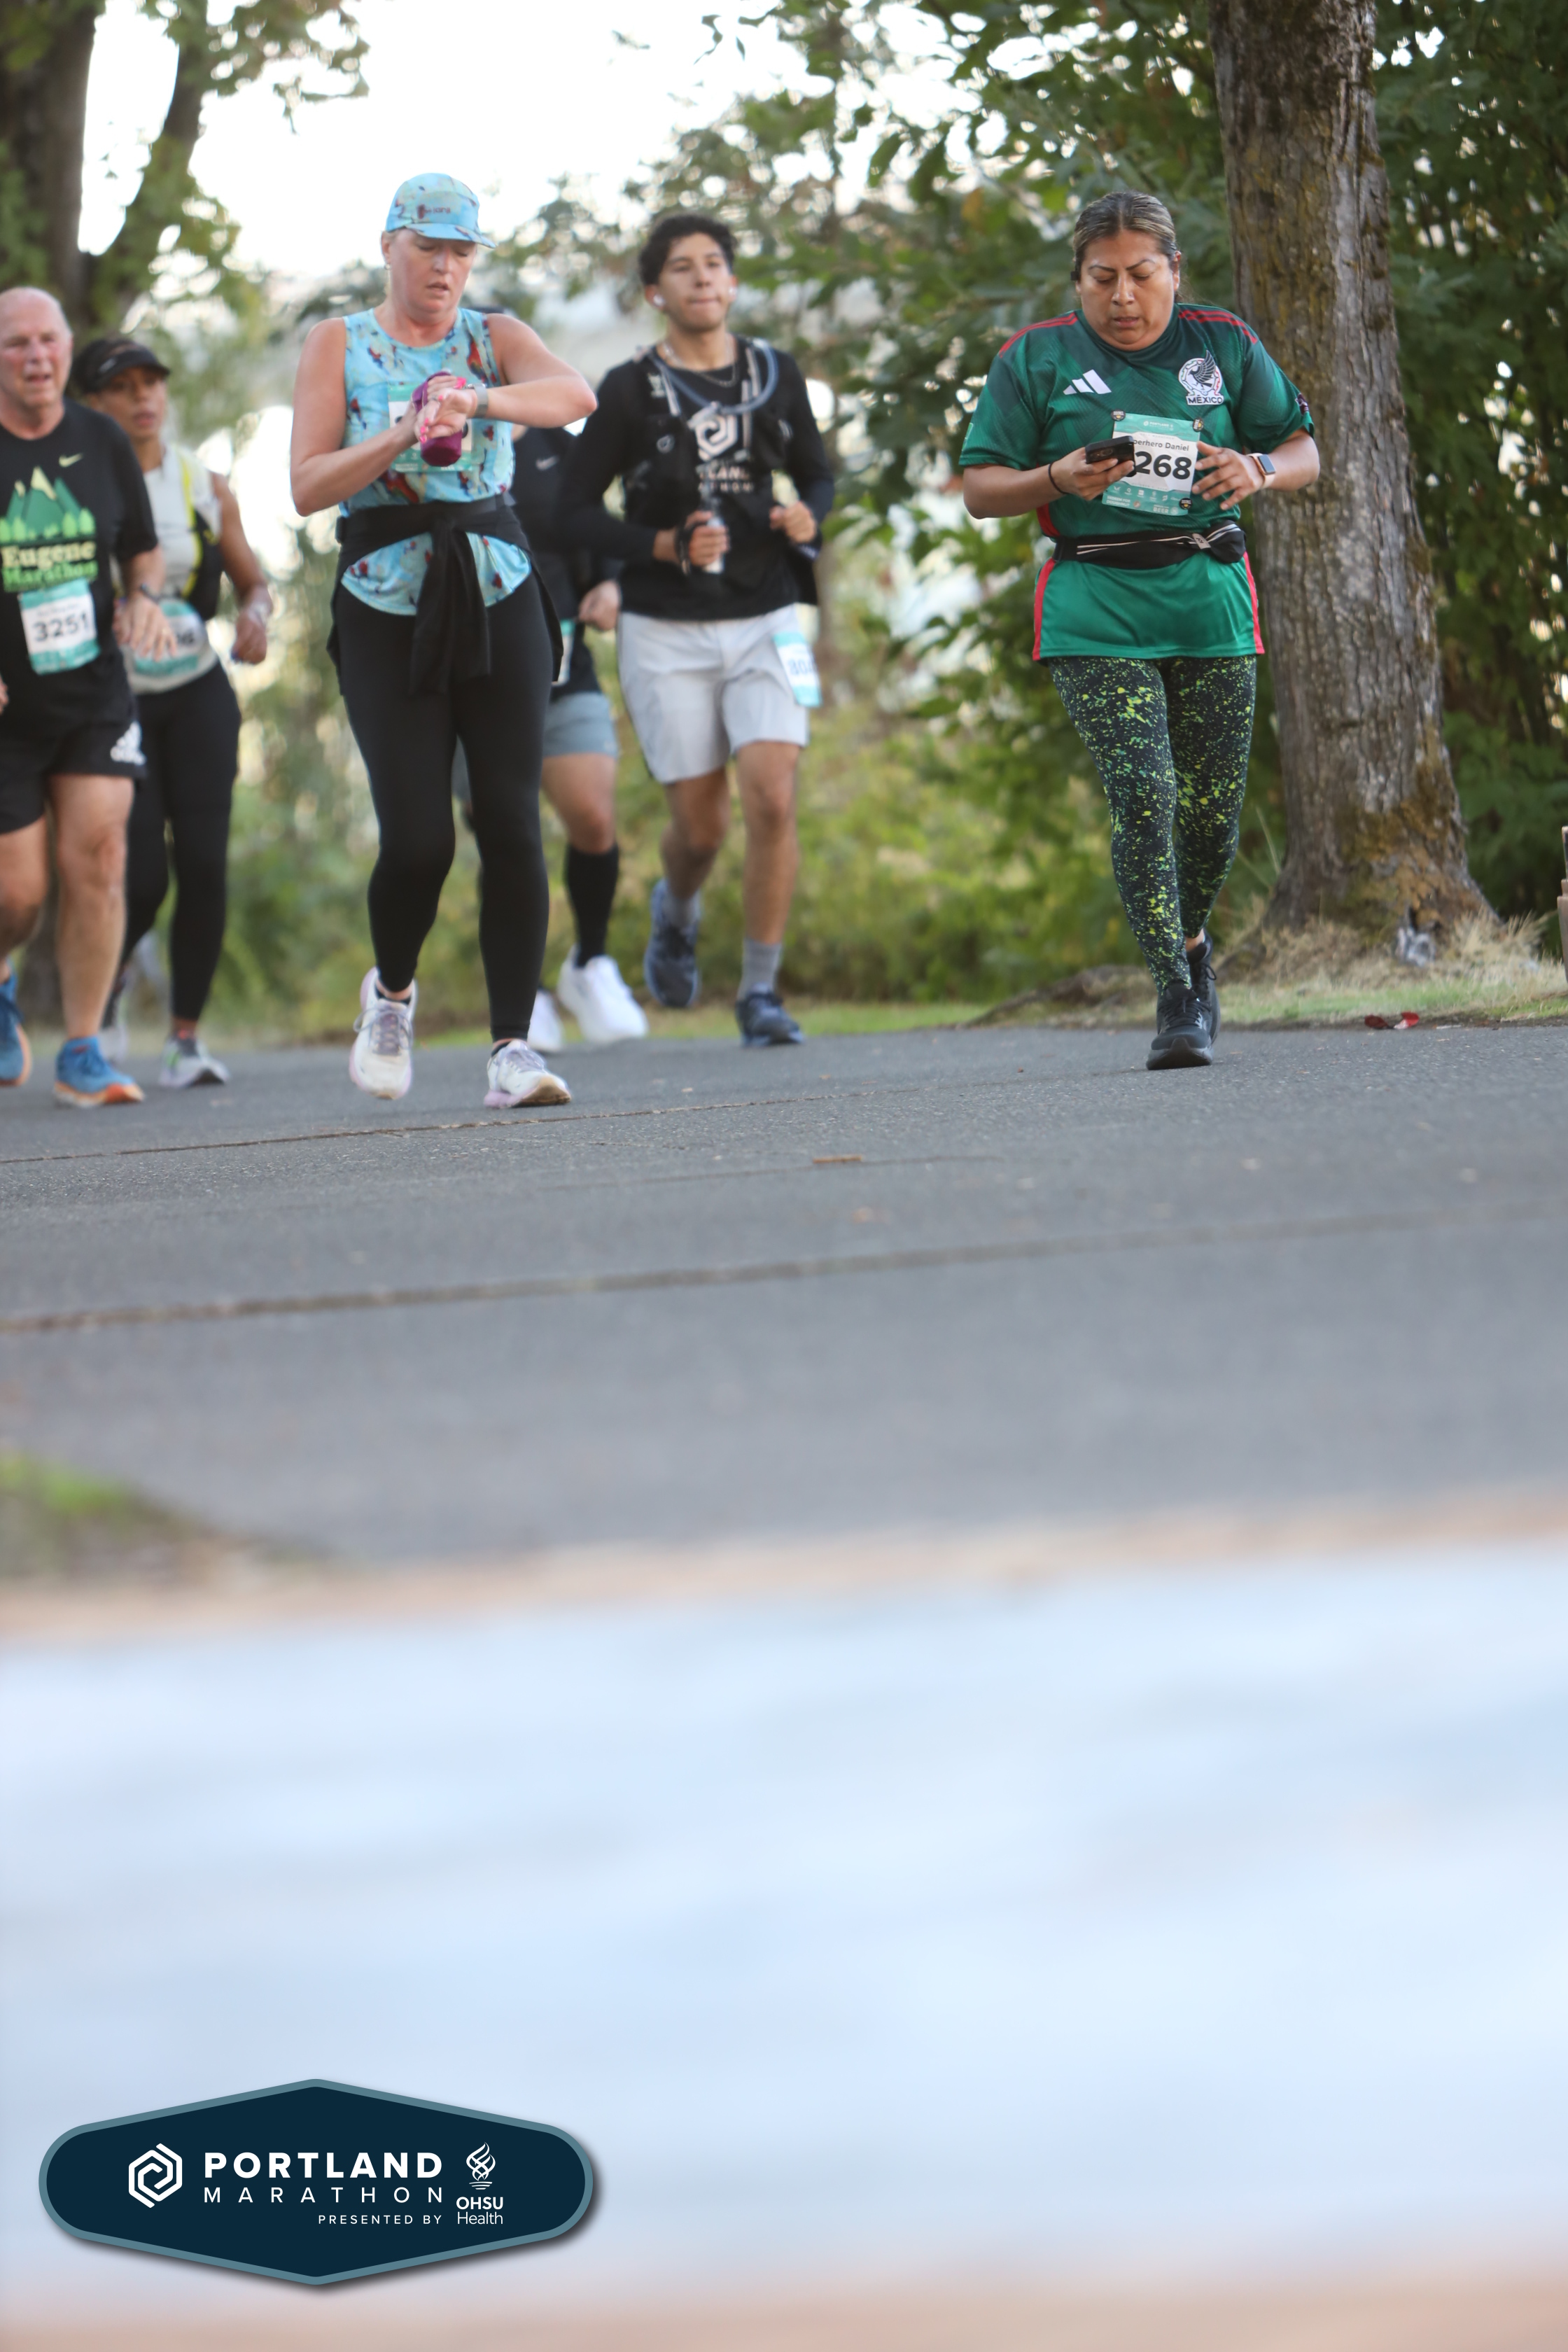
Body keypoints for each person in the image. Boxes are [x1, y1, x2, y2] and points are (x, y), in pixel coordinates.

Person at [960, 190, 1320, 1070]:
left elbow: (1303, 451)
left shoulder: (1220, 342)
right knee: (1145, 796)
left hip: (1207, 596)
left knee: (1212, 820)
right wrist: (1055, 477)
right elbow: (979, 489)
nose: (1122, 296)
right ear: (1077, 280)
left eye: (1140, 274)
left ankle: (1190, 942)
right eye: (1101, 278)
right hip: (1095, 602)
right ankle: (1174, 994)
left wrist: (1258, 468)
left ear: (1173, 271)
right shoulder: (1035, 357)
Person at [290, 174, 595, 1107]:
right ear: (389, 245)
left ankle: (513, 1049)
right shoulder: (338, 341)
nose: (445, 267)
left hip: (497, 584)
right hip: (384, 600)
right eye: (429, 248)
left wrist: (476, 402)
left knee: (510, 822)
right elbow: (307, 486)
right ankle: (390, 997)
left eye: (461, 251)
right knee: (420, 838)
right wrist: (401, 432)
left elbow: (574, 395)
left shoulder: (491, 336)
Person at [561, 212, 834, 1047]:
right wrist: (662, 545)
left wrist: (805, 515)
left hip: (768, 616)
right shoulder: (626, 390)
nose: (702, 278)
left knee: (773, 796)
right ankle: (674, 911)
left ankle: (759, 992)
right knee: (702, 828)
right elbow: (571, 510)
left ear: (733, 282)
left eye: (714, 264)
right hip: (664, 627)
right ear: (655, 292)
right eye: (682, 268)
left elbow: (818, 476)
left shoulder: (774, 372)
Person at [76, 333, 273, 1086]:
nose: (144, 399)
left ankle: (185, 1039)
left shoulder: (201, 482)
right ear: (92, 403)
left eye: (152, 382)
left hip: (196, 692)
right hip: (112, 699)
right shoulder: (74, 479)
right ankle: (112, 979)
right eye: (123, 387)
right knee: (142, 875)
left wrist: (255, 617)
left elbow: (253, 583)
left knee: (204, 862)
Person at [0, 287, 174, 1107]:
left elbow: (142, 551)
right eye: (15, 343)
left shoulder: (102, 440)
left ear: (67, 349)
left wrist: (143, 599)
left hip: (92, 690)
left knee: (103, 858)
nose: (35, 357)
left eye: (48, 340)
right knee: (17, 892)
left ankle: (82, 1050)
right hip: (7, 711)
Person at [456, 419, 647, 1050]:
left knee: (593, 816)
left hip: (564, 667)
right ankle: (523, 993)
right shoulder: (431, 440)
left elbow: (598, 527)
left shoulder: (557, 446)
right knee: (507, 831)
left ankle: (590, 963)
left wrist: (611, 584)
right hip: (472, 678)